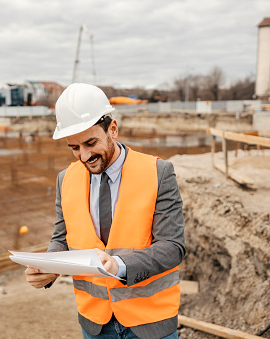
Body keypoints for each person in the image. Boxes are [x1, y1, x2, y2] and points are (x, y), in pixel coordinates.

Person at [25, 83, 185, 339]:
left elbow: (172, 247)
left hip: (150, 322)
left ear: (113, 129)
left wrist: (118, 265)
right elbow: (62, 237)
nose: (84, 156)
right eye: (75, 147)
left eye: (90, 143)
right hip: (95, 324)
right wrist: (49, 267)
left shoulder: (158, 173)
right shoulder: (65, 180)